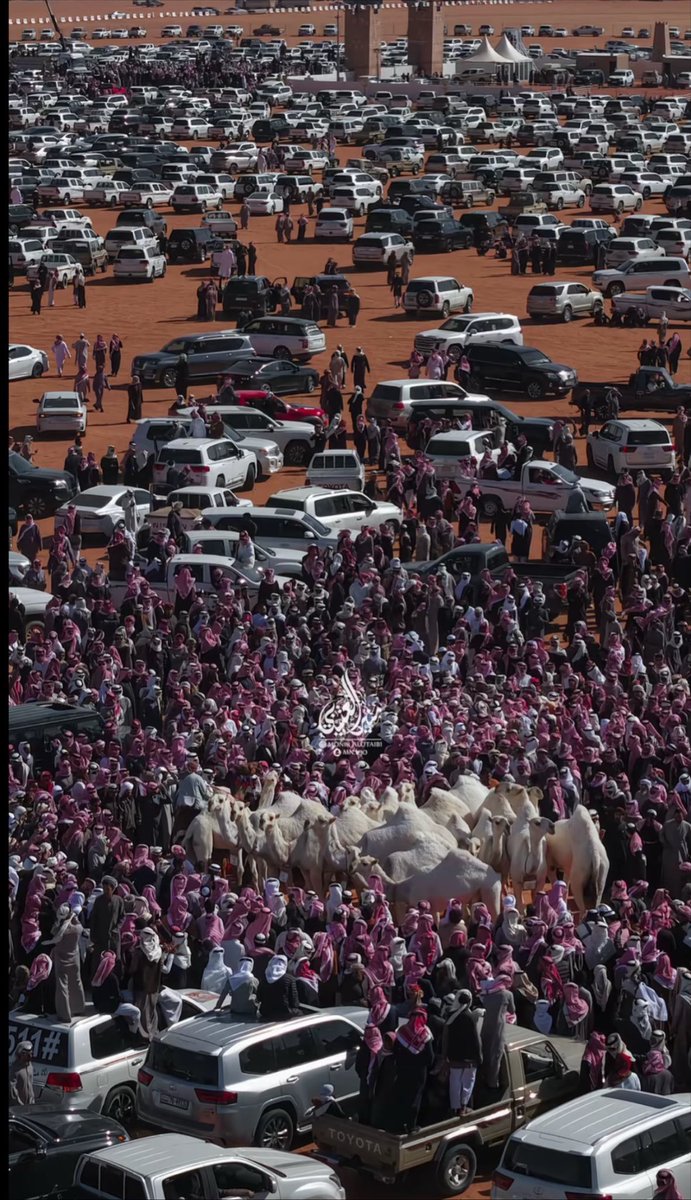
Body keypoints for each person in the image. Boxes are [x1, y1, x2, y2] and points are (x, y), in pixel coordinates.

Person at [9, 1042, 35, 1106]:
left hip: (29, 1105)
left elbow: (30, 1085)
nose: (30, 1056)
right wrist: (19, 1103)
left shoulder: (30, 1066)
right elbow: (12, 1090)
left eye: (31, 1053)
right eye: (28, 1055)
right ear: (21, 1054)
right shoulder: (14, 1069)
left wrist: (32, 1098)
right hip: (18, 1107)